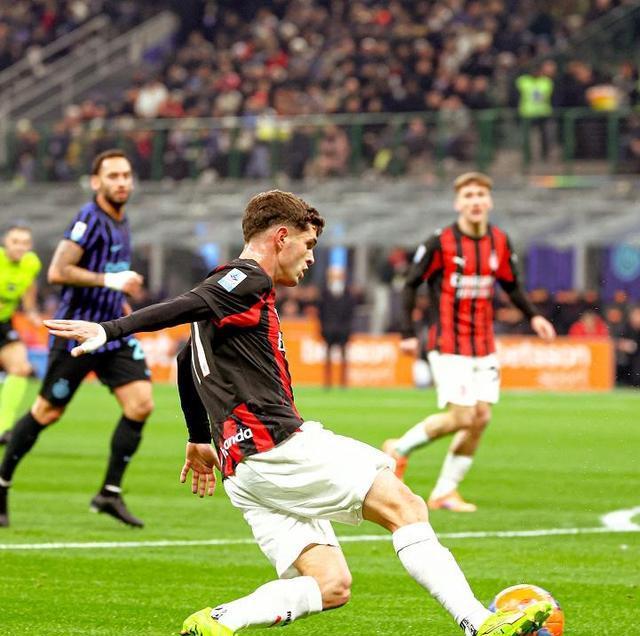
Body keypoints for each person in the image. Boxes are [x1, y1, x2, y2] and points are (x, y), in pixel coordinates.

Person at [44, 189, 551, 636]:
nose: (310, 259)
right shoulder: (245, 278)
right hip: (277, 446)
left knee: (331, 585)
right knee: (406, 506)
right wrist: (111, 329)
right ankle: (480, 623)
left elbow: (183, 359)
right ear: (281, 237)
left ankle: (219, 621)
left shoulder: (227, 293)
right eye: (308, 246)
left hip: (244, 472)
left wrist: (199, 438)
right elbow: (183, 306)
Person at [383, 172, 556, 512]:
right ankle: (398, 449)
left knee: (481, 418)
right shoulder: (440, 242)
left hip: (483, 344)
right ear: (457, 203)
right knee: (463, 416)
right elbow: (411, 283)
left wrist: (534, 315)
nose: (475, 201)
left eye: (480, 195)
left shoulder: (500, 241)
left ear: (489, 201)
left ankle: (445, 492)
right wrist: (407, 332)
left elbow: (512, 284)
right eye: (468, 196)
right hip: (448, 342)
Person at [0, 149, 154, 528]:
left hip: (112, 332)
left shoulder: (122, 220)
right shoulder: (89, 219)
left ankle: (109, 493)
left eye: (126, 175)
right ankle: (2, 484)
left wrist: (119, 295)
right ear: (96, 182)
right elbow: (58, 271)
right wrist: (110, 280)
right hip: (77, 333)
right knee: (46, 412)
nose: (121, 182)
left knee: (141, 404)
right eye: (113, 176)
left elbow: (110, 272)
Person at [0, 225, 42, 445]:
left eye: (25, 243)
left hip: (3, 324)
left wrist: (31, 311)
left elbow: (29, 287)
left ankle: (2, 428)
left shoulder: (31, 263)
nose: (20, 247)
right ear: (5, 242)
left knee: (21, 368)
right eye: (15, 241)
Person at [318, 265, 357, 388]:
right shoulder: (324, 293)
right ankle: (327, 382)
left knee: (344, 356)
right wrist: (323, 327)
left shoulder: (348, 293)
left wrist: (348, 328)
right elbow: (321, 312)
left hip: (343, 329)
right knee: (327, 356)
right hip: (328, 329)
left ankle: (343, 382)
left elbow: (351, 312)